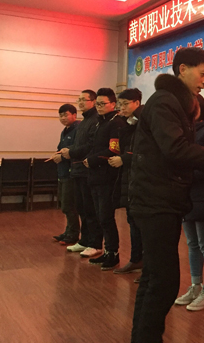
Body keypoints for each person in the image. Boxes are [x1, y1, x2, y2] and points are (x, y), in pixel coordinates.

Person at [128, 47, 204, 343]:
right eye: (203, 73)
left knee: (154, 278)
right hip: (156, 202)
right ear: (182, 69)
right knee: (164, 283)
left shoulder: (174, 102)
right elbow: (175, 149)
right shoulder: (165, 101)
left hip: (160, 200)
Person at [174, 94, 204, 311]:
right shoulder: (186, 131)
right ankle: (196, 286)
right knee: (192, 244)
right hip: (187, 196)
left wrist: (184, 174)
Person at [83, 87, 126, 270]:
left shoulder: (115, 123)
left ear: (113, 104)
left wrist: (92, 160)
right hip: (95, 175)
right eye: (98, 104)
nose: (99, 107)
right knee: (100, 216)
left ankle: (113, 253)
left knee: (106, 217)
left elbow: (114, 150)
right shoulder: (99, 122)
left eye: (103, 104)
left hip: (107, 177)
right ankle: (107, 251)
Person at [60, 90, 103, 258]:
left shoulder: (95, 120)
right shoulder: (84, 121)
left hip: (87, 170)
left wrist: (71, 152)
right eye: (79, 99)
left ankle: (95, 243)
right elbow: (80, 145)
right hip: (77, 170)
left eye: (83, 99)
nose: (80, 102)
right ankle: (85, 240)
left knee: (91, 210)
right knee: (81, 208)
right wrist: (69, 151)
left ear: (93, 101)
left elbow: (91, 145)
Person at [109, 88, 144, 277]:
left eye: (124, 104)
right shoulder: (128, 123)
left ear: (136, 103)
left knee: (141, 224)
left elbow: (145, 152)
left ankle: (146, 265)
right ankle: (136, 259)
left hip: (141, 180)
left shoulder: (145, 122)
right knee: (132, 221)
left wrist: (124, 159)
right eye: (119, 104)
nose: (121, 108)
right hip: (130, 178)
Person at [51, 104, 80, 245]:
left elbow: (76, 149)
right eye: (60, 115)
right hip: (62, 172)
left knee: (69, 206)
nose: (63, 118)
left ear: (74, 115)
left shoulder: (78, 129)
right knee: (64, 204)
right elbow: (61, 149)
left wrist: (62, 157)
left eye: (65, 115)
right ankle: (68, 231)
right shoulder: (65, 131)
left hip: (71, 173)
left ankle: (73, 234)